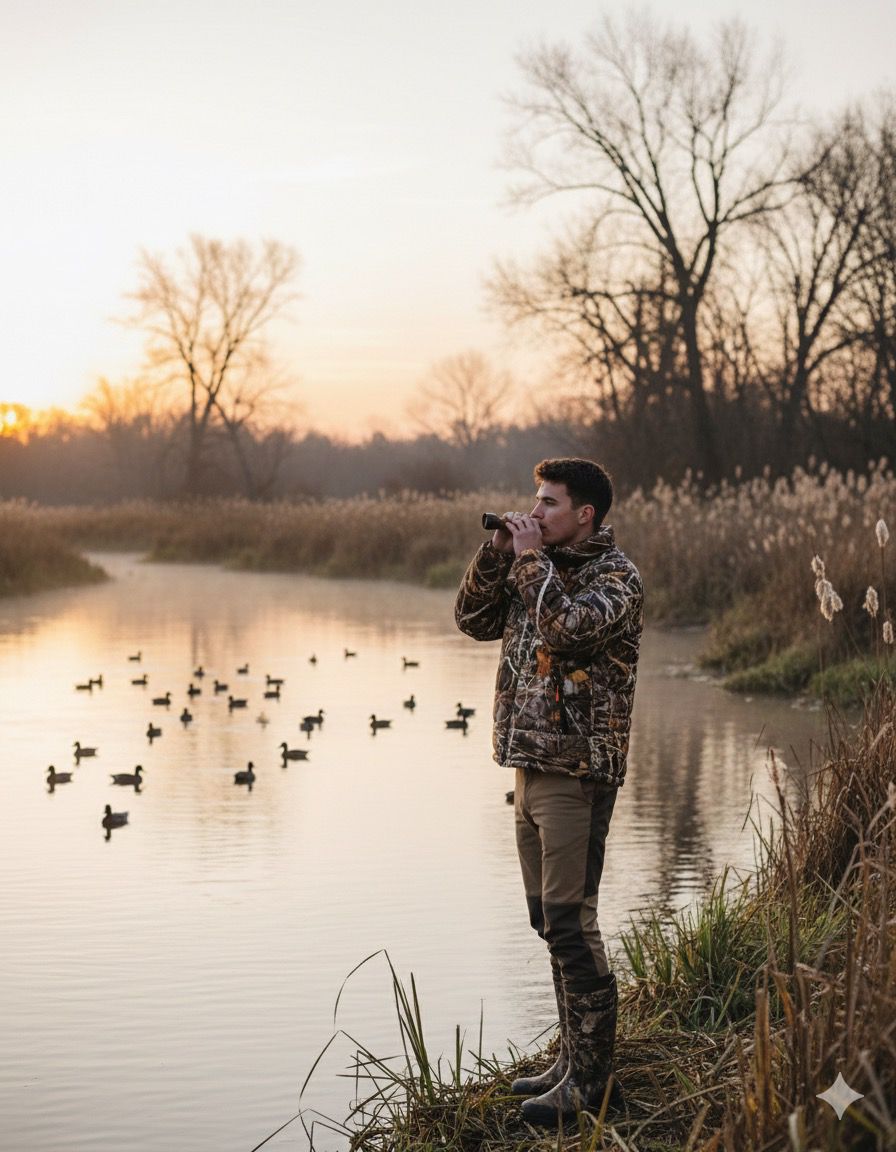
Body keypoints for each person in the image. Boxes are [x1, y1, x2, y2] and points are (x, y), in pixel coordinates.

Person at [454, 457, 642, 1126]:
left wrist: (530, 561)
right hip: (526, 766)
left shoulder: (616, 580)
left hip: (578, 772)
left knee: (572, 921)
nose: (535, 513)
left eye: (549, 504)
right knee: (546, 921)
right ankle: (571, 1062)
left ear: (585, 514)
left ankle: (592, 1087)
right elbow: (471, 620)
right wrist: (497, 551)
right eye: (534, 502)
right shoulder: (534, 567)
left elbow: (567, 630)